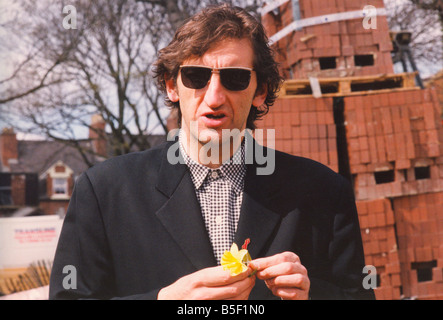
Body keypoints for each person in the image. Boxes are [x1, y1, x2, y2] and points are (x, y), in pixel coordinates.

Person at [49, 4, 375, 300]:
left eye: (234, 78)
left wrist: (311, 294)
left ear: (260, 91)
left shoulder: (323, 191)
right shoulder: (104, 191)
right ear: (171, 86)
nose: (214, 97)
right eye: (196, 76)